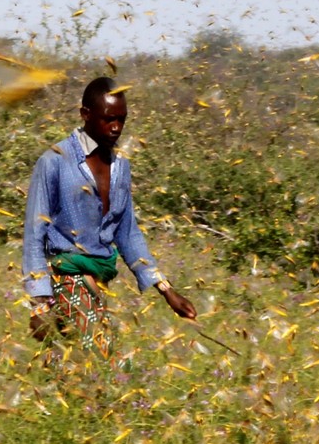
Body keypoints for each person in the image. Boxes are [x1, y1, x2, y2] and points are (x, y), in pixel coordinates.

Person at [23, 77, 195, 361]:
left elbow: (127, 233)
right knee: (102, 362)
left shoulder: (120, 166)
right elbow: (34, 233)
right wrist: (39, 305)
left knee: (69, 363)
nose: (116, 127)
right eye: (108, 119)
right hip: (66, 276)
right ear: (85, 114)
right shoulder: (54, 161)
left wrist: (165, 289)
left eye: (121, 120)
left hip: (100, 279)